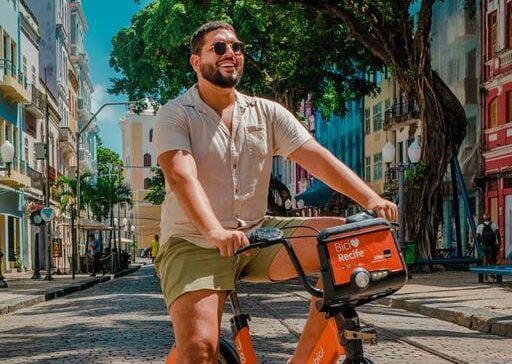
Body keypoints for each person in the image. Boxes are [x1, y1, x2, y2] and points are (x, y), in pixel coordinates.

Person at [153, 21, 397, 364]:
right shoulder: (176, 114)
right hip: (195, 241)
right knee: (199, 351)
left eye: (237, 48)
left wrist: (369, 198)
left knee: (344, 245)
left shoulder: (264, 111)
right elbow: (182, 177)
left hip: (256, 233)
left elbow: (316, 157)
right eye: (219, 48)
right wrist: (215, 231)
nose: (231, 54)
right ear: (196, 62)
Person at [477, 213, 501, 279]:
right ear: (490, 219)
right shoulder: (494, 225)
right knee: (493, 259)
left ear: (483, 219)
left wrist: (480, 243)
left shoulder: (480, 226)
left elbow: (477, 238)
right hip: (492, 245)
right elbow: (498, 235)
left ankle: (485, 275)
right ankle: (492, 273)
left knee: (485, 258)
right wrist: (499, 244)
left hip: (484, 245)